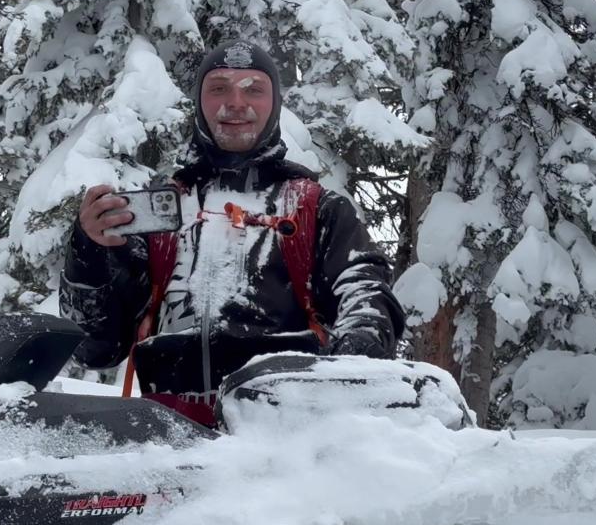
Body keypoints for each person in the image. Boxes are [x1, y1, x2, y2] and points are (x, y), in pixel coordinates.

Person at [60, 40, 404, 423]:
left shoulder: (316, 210)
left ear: (274, 105)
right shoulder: (160, 217)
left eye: (254, 89)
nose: (236, 102)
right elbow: (96, 349)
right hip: (169, 439)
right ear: (200, 104)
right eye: (219, 88)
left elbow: (365, 292)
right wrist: (87, 253)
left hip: (283, 434)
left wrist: (355, 355)